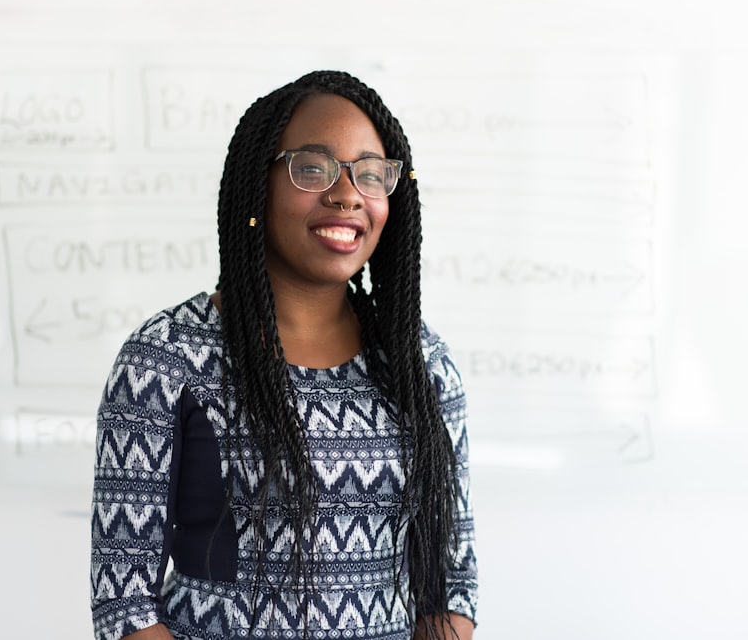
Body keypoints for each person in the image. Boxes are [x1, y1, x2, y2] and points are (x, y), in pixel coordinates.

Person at [90, 70, 478, 640]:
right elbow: (123, 603)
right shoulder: (167, 358)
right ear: (257, 185)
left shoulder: (420, 363)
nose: (347, 194)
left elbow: (451, 584)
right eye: (313, 167)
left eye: (371, 174)